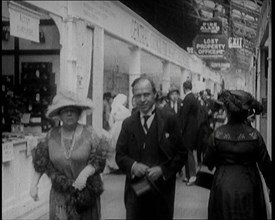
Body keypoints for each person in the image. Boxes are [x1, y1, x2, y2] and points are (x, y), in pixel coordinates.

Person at [115, 76, 187, 220]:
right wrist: (133, 166)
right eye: (138, 95)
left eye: (146, 94)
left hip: (161, 190)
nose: (142, 99)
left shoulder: (169, 120)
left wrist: (163, 170)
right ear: (133, 98)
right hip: (136, 189)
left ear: (155, 94)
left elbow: (181, 153)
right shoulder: (128, 124)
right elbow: (120, 155)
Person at [29, 89, 108, 220]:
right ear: (59, 114)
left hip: (85, 195)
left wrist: (86, 173)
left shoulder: (90, 133)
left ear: (79, 112)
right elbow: (40, 162)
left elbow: (99, 159)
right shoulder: (51, 135)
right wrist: (33, 185)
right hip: (60, 195)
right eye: (65, 110)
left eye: (73, 109)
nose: (69, 113)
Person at [203, 90, 272, 220]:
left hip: (223, 189)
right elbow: (266, 166)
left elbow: (208, 162)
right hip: (250, 189)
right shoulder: (255, 135)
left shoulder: (218, 135)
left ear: (228, 111)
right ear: (247, 113)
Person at [179, 80, 200, 185]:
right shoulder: (193, 98)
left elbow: (184, 116)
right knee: (188, 152)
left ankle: (192, 175)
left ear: (184, 88)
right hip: (193, 128)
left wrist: (181, 129)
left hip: (188, 130)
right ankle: (188, 175)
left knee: (189, 152)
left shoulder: (187, 98)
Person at [104, 93, 130, 173]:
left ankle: (115, 166)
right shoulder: (125, 110)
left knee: (115, 146)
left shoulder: (114, 109)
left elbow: (110, 121)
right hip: (123, 128)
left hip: (115, 128)